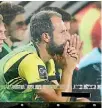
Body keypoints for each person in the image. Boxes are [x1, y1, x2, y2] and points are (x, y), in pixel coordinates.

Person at [0, 10, 83, 102]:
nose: (68, 37)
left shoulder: (47, 60)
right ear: (46, 37)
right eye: (62, 32)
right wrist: (68, 69)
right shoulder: (30, 60)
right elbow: (58, 102)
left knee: (82, 101)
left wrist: (66, 68)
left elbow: (61, 95)